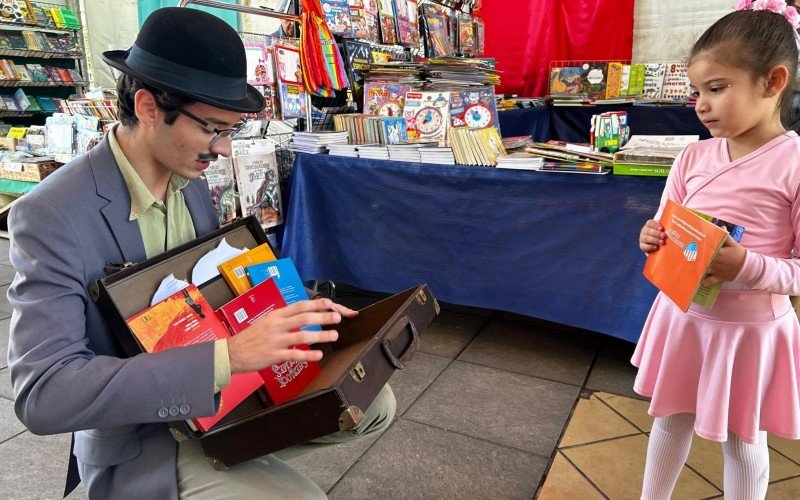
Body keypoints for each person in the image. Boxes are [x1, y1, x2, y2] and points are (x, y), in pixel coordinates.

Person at [6, 7, 395, 499]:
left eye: (231, 130)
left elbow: (206, 296)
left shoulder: (186, 176)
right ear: (148, 107)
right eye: (214, 129)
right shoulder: (52, 214)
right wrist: (226, 357)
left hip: (216, 401)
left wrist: (294, 311)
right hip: (140, 435)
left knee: (373, 399)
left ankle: (241, 457)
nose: (226, 150)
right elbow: (42, 394)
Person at [636, 1, 800, 498]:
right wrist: (652, 238)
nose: (701, 105)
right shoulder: (693, 155)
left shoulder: (792, 163)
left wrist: (746, 266)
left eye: (717, 89)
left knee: (742, 439)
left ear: (772, 82)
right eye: (696, 92)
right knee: (669, 419)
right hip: (684, 317)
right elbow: (666, 223)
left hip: (746, 332)